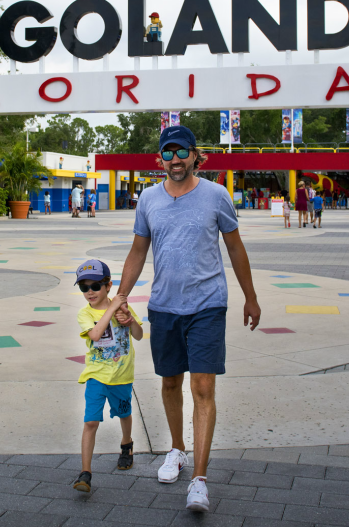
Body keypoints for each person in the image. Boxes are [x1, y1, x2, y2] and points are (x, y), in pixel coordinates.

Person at [117, 125, 260, 513]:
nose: (176, 160)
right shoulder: (148, 199)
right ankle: (176, 450)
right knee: (169, 383)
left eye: (183, 153)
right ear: (159, 159)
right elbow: (137, 253)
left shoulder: (216, 195)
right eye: (168, 153)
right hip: (164, 306)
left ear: (197, 156)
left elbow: (235, 247)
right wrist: (121, 296)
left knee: (202, 388)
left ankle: (199, 479)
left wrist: (250, 297)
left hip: (207, 305)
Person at [72, 260, 144, 492]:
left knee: (124, 412)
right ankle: (86, 472)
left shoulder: (122, 308)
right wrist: (113, 309)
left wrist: (130, 320)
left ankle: (126, 443)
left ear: (108, 285)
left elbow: (139, 335)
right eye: (84, 288)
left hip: (122, 375)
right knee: (91, 421)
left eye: (95, 286)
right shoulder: (85, 314)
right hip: (96, 374)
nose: (90, 292)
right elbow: (94, 334)